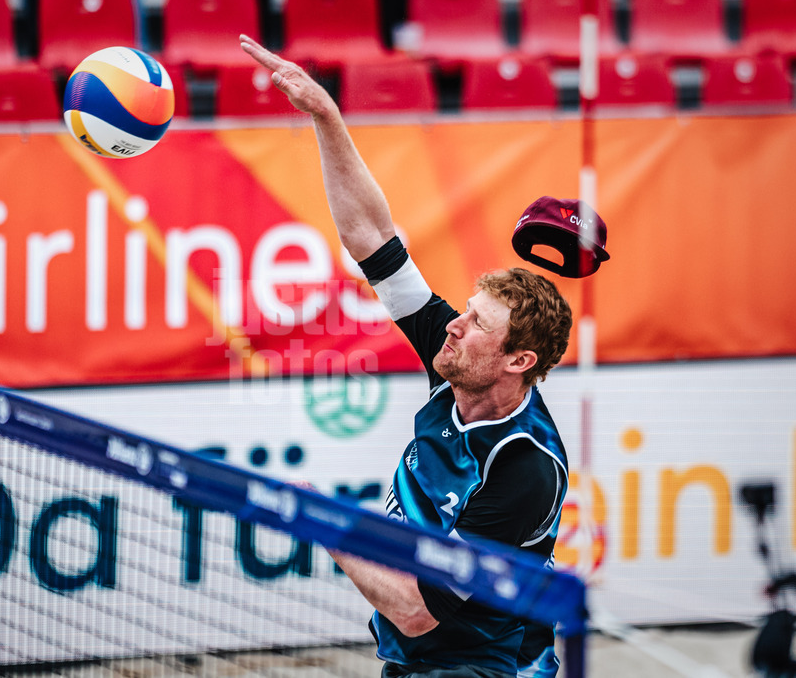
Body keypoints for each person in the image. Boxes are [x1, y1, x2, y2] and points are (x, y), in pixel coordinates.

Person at [240, 35, 573, 678]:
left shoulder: (522, 467)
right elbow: (371, 236)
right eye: (465, 310)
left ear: (517, 361)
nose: (454, 324)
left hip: (483, 669)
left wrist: (323, 523)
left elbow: (421, 611)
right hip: (417, 659)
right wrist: (326, 117)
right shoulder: (451, 360)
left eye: (478, 324)